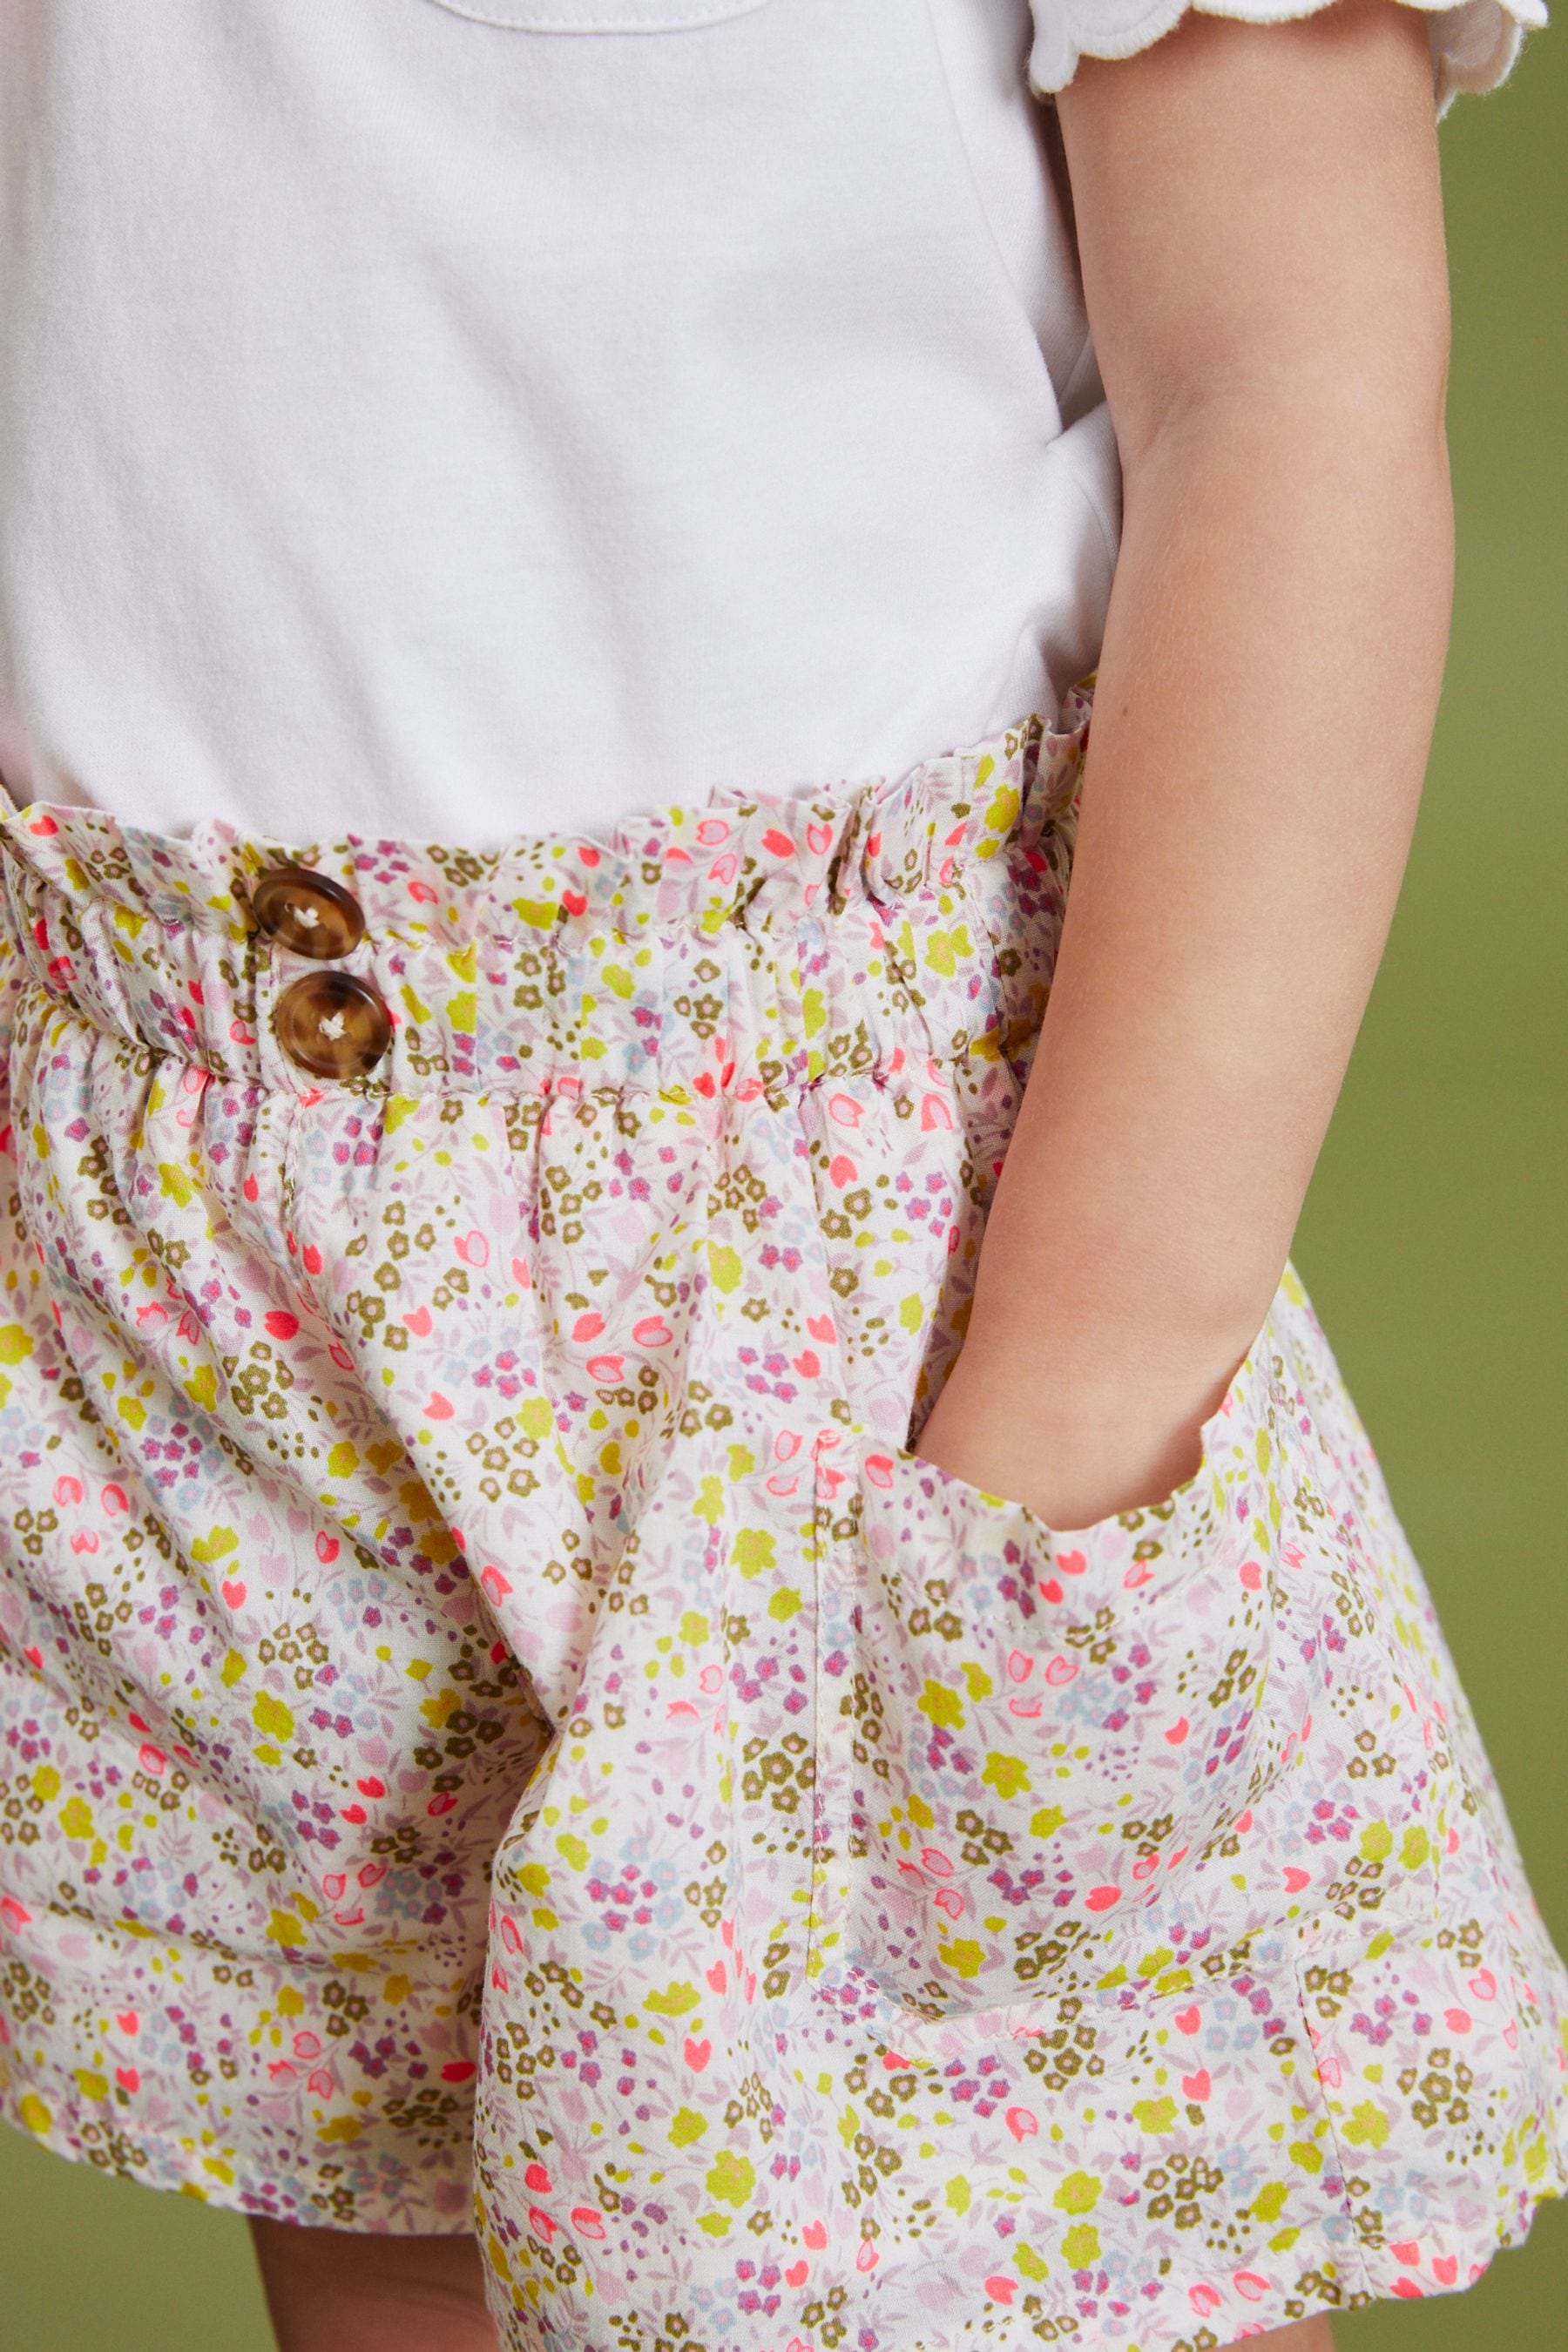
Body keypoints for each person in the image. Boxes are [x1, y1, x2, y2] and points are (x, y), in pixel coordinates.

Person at [0, 3, 1561, 2349]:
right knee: (403, 2224)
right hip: (206, 1222)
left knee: (1018, 2240)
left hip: (837, 1297)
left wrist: (1081, 1390)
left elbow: (1289, 400)